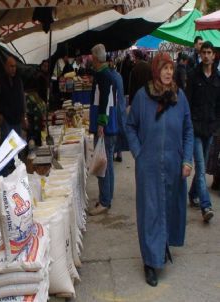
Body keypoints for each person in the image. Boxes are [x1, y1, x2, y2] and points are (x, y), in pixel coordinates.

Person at [126, 52, 194, 287]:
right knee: (150, 212)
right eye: (164, 68)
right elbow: (131, 126)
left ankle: (161, 249)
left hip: (173, 164)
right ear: (156, 70)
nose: (168, 72)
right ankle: (150, 262)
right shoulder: (142, 97)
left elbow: (188, 130)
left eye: (170, 68)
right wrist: (138, 152)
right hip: (149, 166)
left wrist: (187, 160)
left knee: (168, 209)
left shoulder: (179, 96)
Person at [185, 41, 220, 222]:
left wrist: (216, 125)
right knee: (200, 166)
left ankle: (192, 194)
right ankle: (206, 206)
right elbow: (187, 103)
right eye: (203, 52)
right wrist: (188, 124)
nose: (206, 55)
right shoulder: (193, 76)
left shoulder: (218, 78)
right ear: (200, 55)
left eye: (209, 52)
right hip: (196, 129)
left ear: (214, 55)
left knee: (202, 167)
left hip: (210, 129)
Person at [88, 44, 118, 216]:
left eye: (92, 57)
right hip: (110, 127)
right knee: (108, 165)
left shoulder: (103, 75)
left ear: (96, 58)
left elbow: (105, 101)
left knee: (102, 164)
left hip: (105, 128)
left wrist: (101, 124)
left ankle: (105, 201)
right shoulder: (109, 74)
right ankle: (107, 197)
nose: (91, 61)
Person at [0, 56, 27, 144]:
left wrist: (24, 116)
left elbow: (22, 98)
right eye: (11, 66)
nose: (13, 69)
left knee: (17, 146)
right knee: (9, 146)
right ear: (6, 67)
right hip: (6, 121)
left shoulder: (18, 81)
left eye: (15, 66)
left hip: (18, 120)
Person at [108, 55, 128, 162]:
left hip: (115, 106)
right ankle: (119, 154)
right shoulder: (118, 76)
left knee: (114, 131)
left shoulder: (110, 77)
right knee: (119, 130)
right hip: (121, 105)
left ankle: (113, 153)